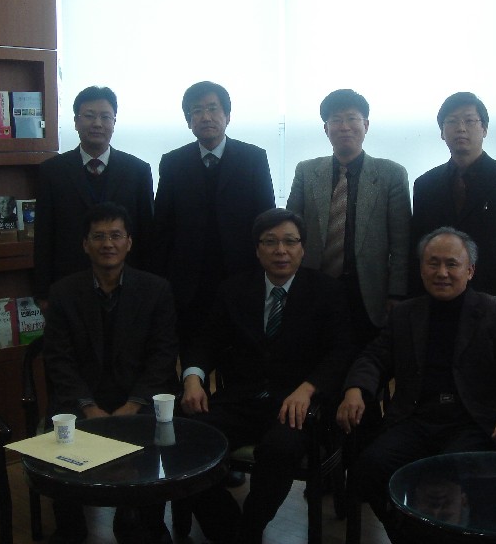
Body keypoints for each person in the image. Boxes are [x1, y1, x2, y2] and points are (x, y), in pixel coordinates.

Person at [336, 226, 496, 543]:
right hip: (416, 419)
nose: (442, 273)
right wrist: (356, 390)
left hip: (471, 422)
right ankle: (409, 536)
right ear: (421, 268)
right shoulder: (405, 314)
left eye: (452, 264)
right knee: (370, 467)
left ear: (470, 270)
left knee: (447, 475)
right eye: (433, 263)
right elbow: (374, 356)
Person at [180, 208, 353, 544]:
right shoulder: (234, 289)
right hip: (241, 399)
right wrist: (192, 378)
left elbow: (342, 351)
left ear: (303, 248)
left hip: (296, 405)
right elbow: (205, 341)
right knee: (187, 439)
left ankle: (249, 529)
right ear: (257, 249)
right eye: (270, 242)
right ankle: (227, 528)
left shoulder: (326, 291)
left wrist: (308, 388)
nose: (281, 251)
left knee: (279, 450)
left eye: (290, 242)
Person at [43, 202, 178, 544]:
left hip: (137, 396)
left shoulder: (156, 289)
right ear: (85, 244)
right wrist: (88, 407)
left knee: (155, 427)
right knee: (63, 429)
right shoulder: (63, 293)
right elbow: (58, 360)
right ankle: (71, 527)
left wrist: (133, 404)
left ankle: (145, 521)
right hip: (82, 397)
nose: (108, 244)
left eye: (116, 235)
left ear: (129, 242)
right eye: (99, 236)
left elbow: (162, 356)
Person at [152, 80, 274, 362]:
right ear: (188, 121)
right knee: (192, 357)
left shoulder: (253, 158)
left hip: (241, 276)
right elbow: (162, 228)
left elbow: (266, 220)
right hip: (188, 283)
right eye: (197, 111)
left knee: (241, 356)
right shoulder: (173, 162)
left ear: (227, 116)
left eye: (213, 109)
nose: (206, 117)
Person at [286, 88, 411, 350]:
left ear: (366, 125)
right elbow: (291, 232)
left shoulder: (391, 174)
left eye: (352, 119)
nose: (344, 127)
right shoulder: (306, 172)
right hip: (315, 284)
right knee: (315, 352)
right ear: (326, 129)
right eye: (336, 120)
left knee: (365, 356)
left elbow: (401, 243)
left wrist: (397, 293)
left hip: (368, 290)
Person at [410, 92, 496, 321]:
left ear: (484, 129)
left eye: (470, 121)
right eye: (452, 121)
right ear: (442, 132)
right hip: (437, 303)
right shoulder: (425, 185)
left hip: (494, 304)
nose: (461, 128)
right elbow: (418, 250)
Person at [33, 85, 155, 304]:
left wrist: (149, 288)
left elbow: (146, 235)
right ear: (76, 122)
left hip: (127, 286)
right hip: (68, 284)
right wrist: (43, 293)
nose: (97, 123)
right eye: (89, 116)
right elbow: (44, 236)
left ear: (114, 122)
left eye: (105, 117)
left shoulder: (138, 171)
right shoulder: (52, 171)